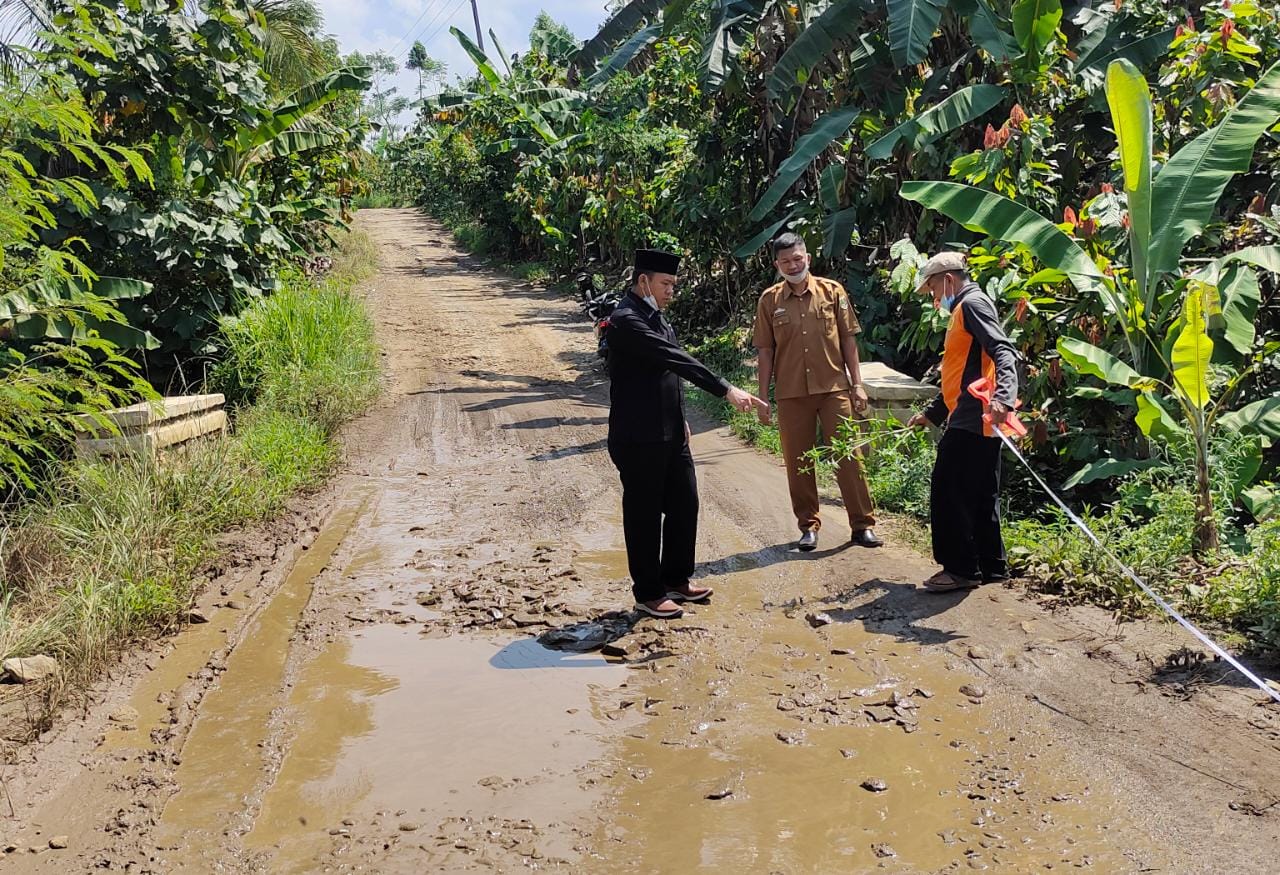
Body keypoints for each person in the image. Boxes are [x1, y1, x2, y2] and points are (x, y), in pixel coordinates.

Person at [607, 248, 767, 619]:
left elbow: (669, 375)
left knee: (685, 504)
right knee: (644, 514)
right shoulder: (626, 320)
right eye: (666, 284)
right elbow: (677, 360)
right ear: (642, 280)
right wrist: (726, 388)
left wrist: (680, 417)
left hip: (670, 432)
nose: (671, 291)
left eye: (674, 285)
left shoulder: (657, 318)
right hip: (638, 437)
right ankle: (648, 592)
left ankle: (676, 578)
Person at [752, 233, 882, 552]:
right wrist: (762, 397)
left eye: (798, 258)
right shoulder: (770, 300)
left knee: (848, 456)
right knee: (799, 461)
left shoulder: (832, 292)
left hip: (834, 389)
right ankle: (808, 526)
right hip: (791, 392)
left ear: (807, 258)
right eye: (786, 261)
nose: (793, 265)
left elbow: (849, 341)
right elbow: (765, 352)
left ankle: (862, 525)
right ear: (777, 265)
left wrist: (857, 384)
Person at [907, 251, 1019, 593]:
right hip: (974, 414)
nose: (936, 299)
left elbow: (1003, 350)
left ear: (948, 280)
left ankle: (960, 569)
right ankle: (991, 567)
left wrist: (1003, 398)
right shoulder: (967, 307)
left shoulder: (971, 306)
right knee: (982, 492)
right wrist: (933, 414)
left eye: (935, 292)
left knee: (949, 490)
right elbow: (964, 372)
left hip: (975, 416)